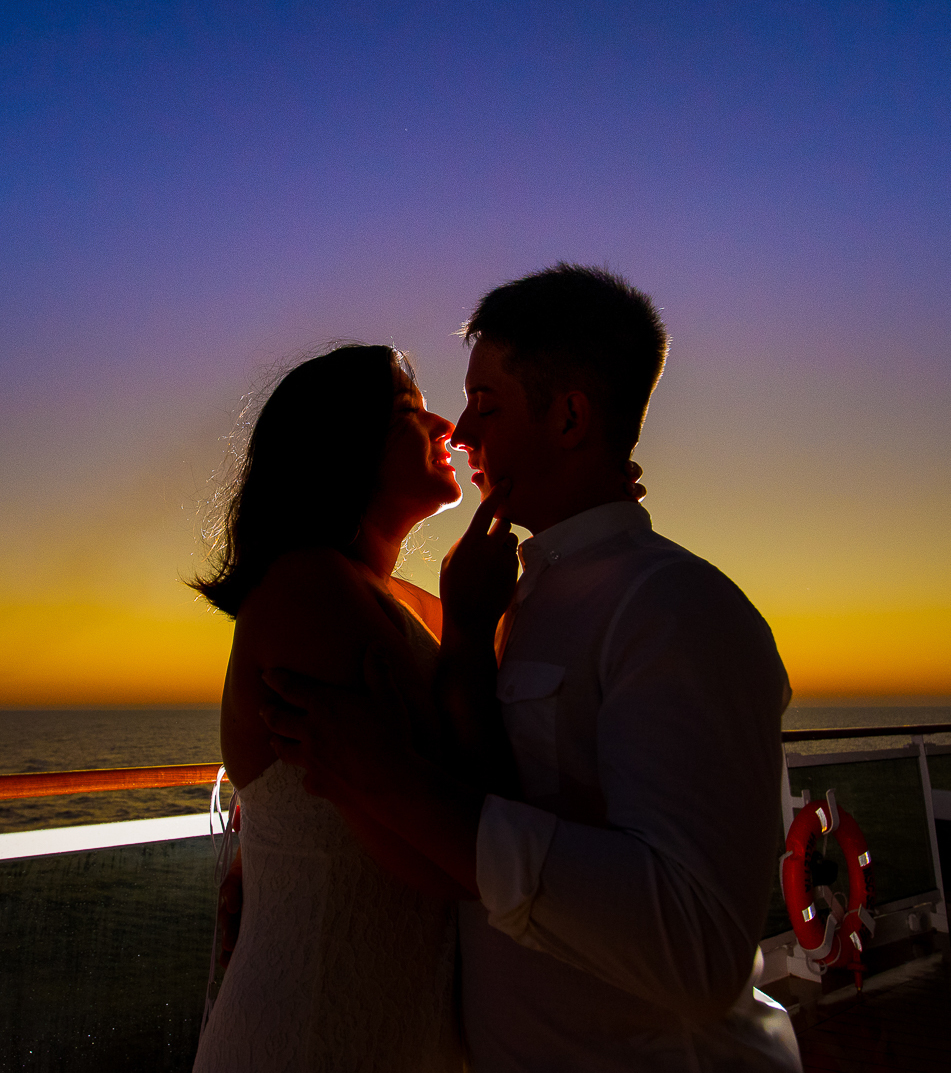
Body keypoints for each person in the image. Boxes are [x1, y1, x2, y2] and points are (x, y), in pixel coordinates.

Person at [263, 264, 803, 1071]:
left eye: (486, 404)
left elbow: (697, 950)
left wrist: (386, 781)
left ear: (569, 417)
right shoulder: (499, 599)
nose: (463, 435)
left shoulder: (675, 609)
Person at [190, 344, 475, 1073]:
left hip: (384, 1018)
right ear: (342, 447)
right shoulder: (308, 588)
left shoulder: (402, 602)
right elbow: (446, 855)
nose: (444, 423)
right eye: (410, 412)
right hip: (314, 1024)